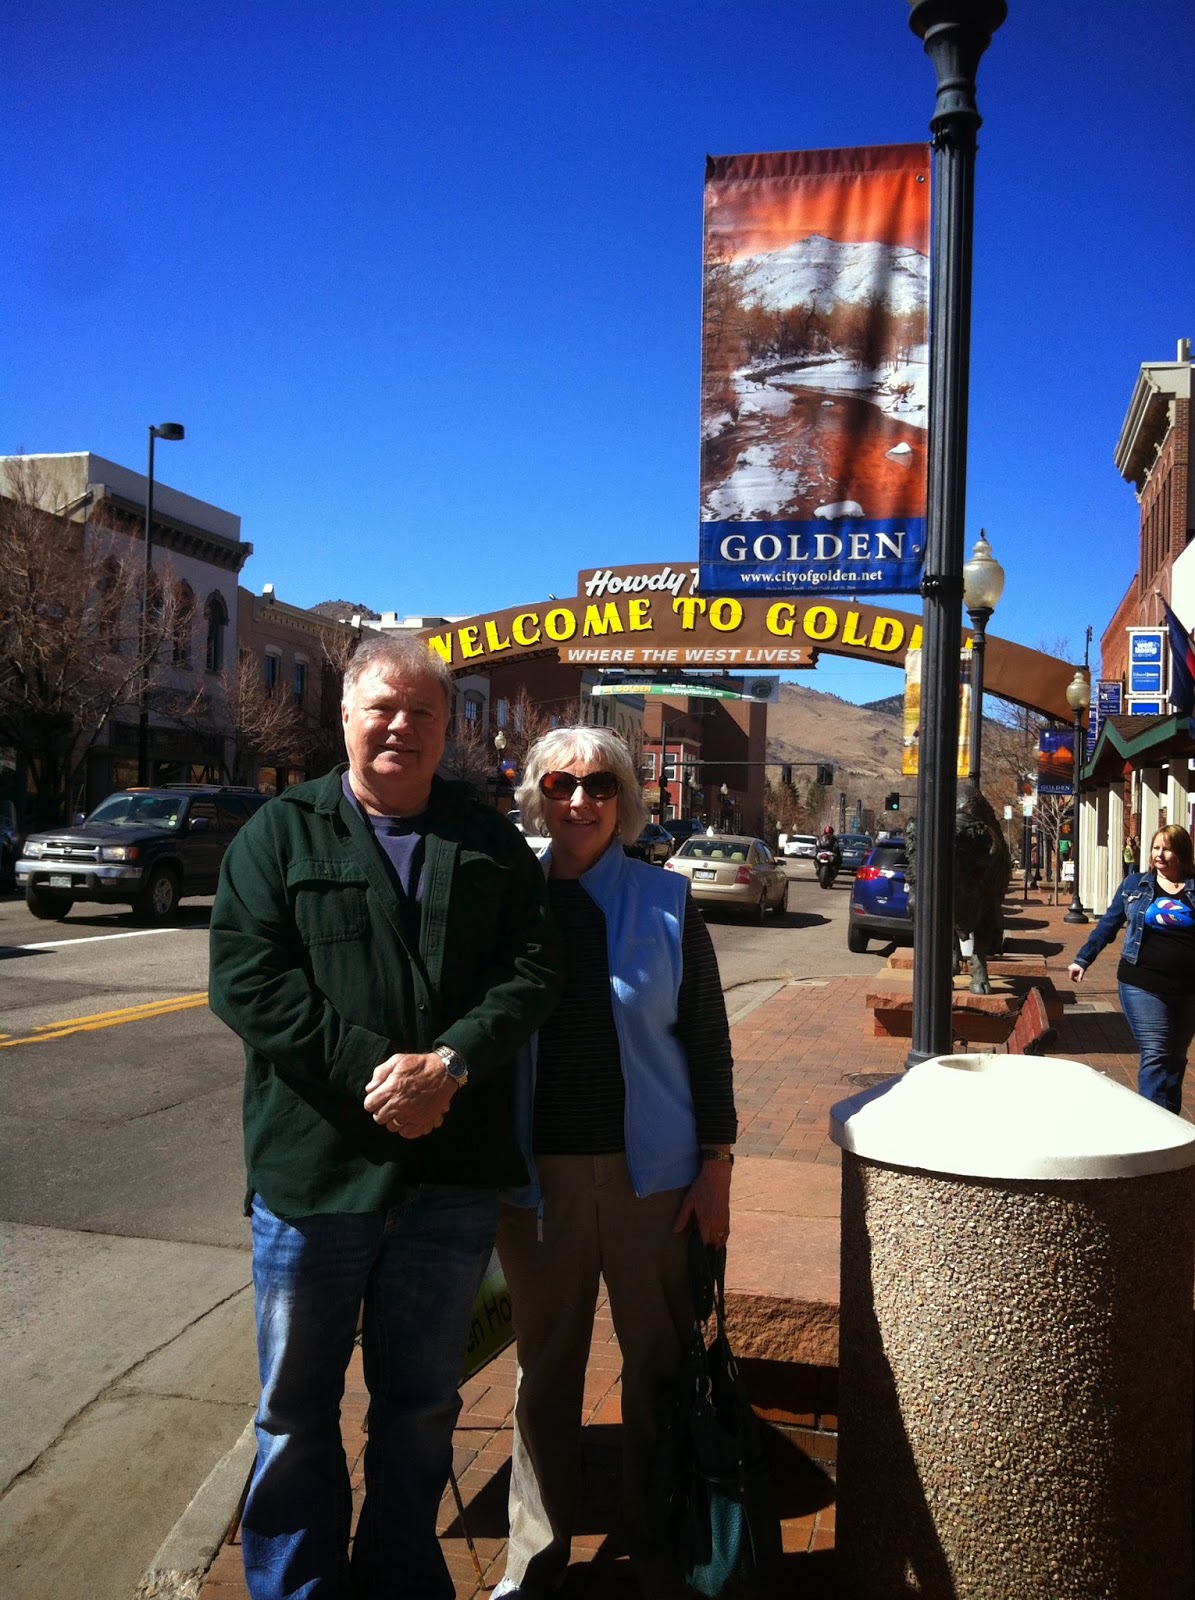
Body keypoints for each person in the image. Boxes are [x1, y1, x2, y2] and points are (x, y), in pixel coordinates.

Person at [208, 633, 563, 1600]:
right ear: (345, 716)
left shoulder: (487, 843)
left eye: (422, 713)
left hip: (449, 1182)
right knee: (292, 1415)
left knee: (420, 1409)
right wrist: (381, 1073)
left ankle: (399, 1581)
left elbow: (533, 971)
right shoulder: (278, 835)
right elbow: (247, 981)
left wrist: (449, 1066)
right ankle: (298, 1588)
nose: (401, 726)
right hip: (313, 1178)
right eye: (383, 708)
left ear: (447, 729)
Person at [491, 726, 737, 1599]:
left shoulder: (668, 901)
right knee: (543, 1372)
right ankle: (534, 1557)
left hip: (653, 1180)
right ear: (536, 796)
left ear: (625, 800)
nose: (579, 801)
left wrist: (716, 1166)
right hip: (539, 1182)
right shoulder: (507, 898)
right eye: (560, 785)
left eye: (599, 785)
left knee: (659, 1368)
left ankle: (659, 1546)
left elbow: (706, 1040)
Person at [1068, 823, 1195, 1113]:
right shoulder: (1134, 885)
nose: (1159, 854)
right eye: (1156, 848)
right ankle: (1154, 1125)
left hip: (1188, 988)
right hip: (1142, 984)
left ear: (1182, 853)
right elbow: (1108, 924)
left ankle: (1171, 1123)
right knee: (1156, 1053)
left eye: (1167, 849)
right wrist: (1083, 959)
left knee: (1176, 1059)